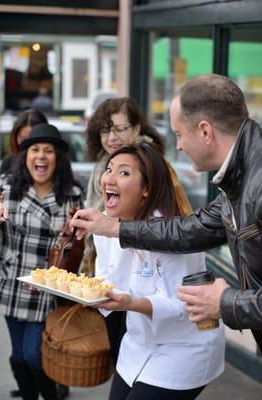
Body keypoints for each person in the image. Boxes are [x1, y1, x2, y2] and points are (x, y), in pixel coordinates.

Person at [70, 74, 262, 354]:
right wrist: (114, 228)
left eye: (179, 134)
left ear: (205, 132)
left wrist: (226, 302)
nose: (179, 145)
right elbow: (189, 229)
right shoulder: (242, 176)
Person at [90, 141, 225, 400]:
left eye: (124, 173)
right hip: (138, 344)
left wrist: (131, 302)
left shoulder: (172, 233)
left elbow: (182, 306)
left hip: (185, 348)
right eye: (109, 169)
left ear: (146, 189)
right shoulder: (105, 226)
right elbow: (105, 279)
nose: (110, 178)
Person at [84, 96, 192, 365]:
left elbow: (175, 223)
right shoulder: (104, 163)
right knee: (122, 354)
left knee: (138, 346)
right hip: (112, 279)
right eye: (105, 129)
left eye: (119, 128)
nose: (111, 137)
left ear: (137, 128)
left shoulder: (153, 166)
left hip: (143, 283)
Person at [0, 123, 84, 400]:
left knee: (34, 355)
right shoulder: (6, 188)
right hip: (11, 282)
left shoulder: (72, 195)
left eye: (48, 150)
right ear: (26, 156)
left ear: (58, 157)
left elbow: (79, 245)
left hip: (47, 288)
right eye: (35, 149)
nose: (41, 156)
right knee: (18, 356)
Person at [0, 109, 48, 175]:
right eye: (23, 140)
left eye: (32, 141)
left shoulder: (53, 163)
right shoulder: (8, 163)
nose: (27, 145)